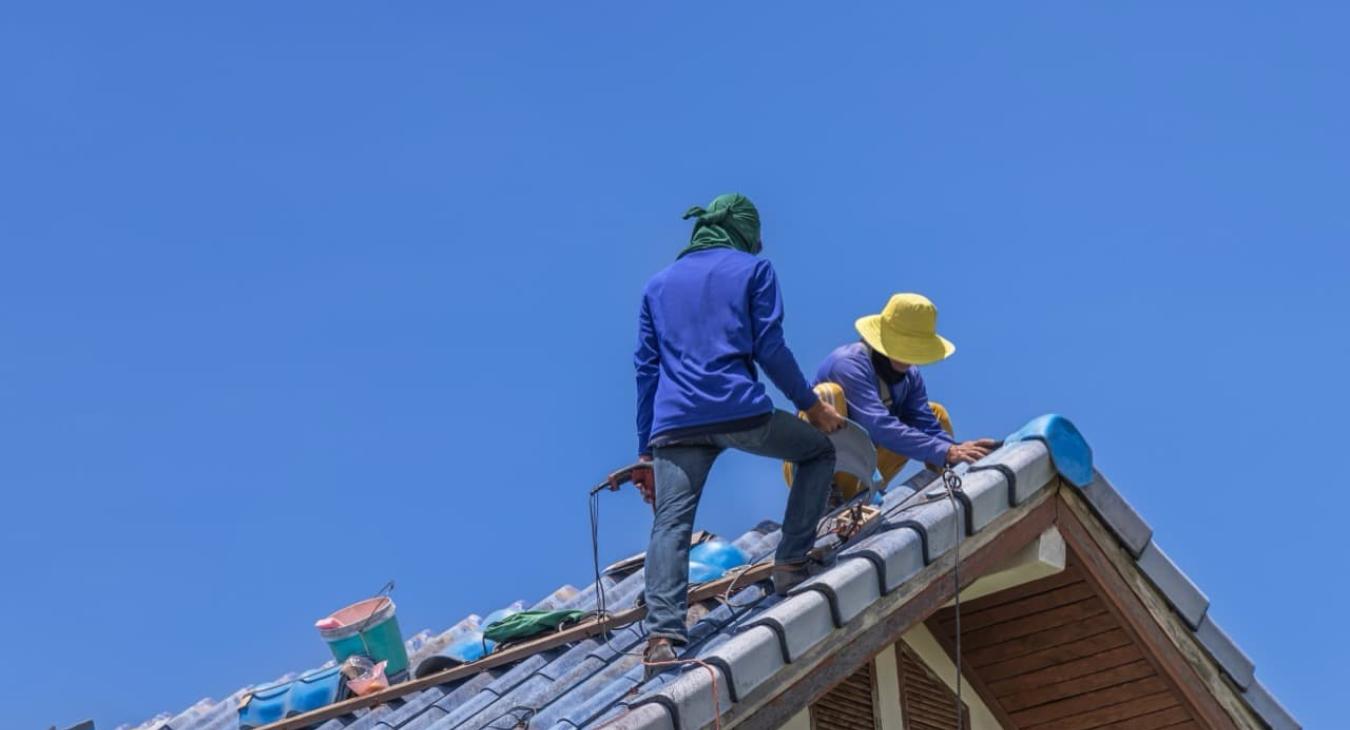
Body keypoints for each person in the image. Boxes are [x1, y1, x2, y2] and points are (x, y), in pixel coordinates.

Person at [630, 193, 844, 674]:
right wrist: (810, 406)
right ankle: (790, 564)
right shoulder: (754, 271)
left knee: (670, 525)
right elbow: (769, 347)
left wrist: (646, 452)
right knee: (816, 453)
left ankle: (663, 638)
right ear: (745, 233)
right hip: (737, 412)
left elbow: (646, 371)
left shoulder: (657, 286)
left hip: (674, 426)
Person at [794, 293, 999, 501]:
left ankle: (951, 481)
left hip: (865, 470)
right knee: (828, 394)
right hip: (823, 466)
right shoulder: (847, 364)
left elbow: (927, 425)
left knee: (936, 413)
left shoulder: (910, 377)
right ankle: (821, 494)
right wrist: (945, 451)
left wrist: (957, 451)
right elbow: (878, 425)